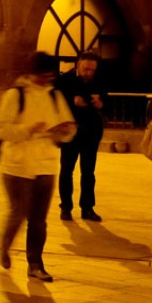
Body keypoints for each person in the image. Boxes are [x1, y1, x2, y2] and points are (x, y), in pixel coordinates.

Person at [0, 51, 76, 282]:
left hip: (46, 164)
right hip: (17, 165)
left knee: (39, 219)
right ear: (31, 73)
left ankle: (35, 264)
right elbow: (0, 128)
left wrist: (65, 131)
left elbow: (68, 126)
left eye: (49, 76)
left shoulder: (54, 96)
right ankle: (5, 244)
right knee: (18, 211)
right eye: (42, 76)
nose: (45, 80)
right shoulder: (15, 95)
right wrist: (28, 130)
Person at [54, 51, 107, 222]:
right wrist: (72, 102)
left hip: (91, 131)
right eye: (86, 69)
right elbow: (56, 104)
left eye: (92, 70)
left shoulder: (99, 80)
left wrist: (100, 103)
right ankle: (66, 207)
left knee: (88, 172)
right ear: (78, 65)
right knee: (66, 170)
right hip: (71, 131)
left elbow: (106, 102)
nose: (89, 73)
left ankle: (87, 208)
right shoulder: (64, 80)